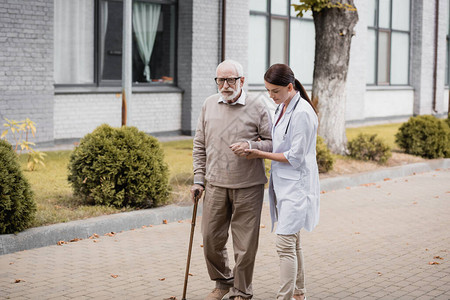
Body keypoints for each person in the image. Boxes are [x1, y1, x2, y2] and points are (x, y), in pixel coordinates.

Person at [190, 59, 272, 300]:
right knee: (211, 239)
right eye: (220, 80)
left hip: (248, 185)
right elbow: (199, 145)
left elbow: (273, 142)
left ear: (242, 81)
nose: (225, 85)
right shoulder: (208, 104)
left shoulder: (258, 105)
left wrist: (251, 145)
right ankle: (223, 281)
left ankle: (242, 290)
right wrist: (198, 179)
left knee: (245, 245)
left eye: (230, 80)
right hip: (215, 183)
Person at [245, 64, 320, 300]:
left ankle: (284, 297)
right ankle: (299, 294)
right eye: (268, 90)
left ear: (290, 87)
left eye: (275, 91)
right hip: (284, 186)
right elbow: (281, 142)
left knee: (285, 244)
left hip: (297, 187)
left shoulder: (303, 113)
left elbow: (295, 157)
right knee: (293, 243)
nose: (271, 96)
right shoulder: (283, 107)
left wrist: (259, 154)